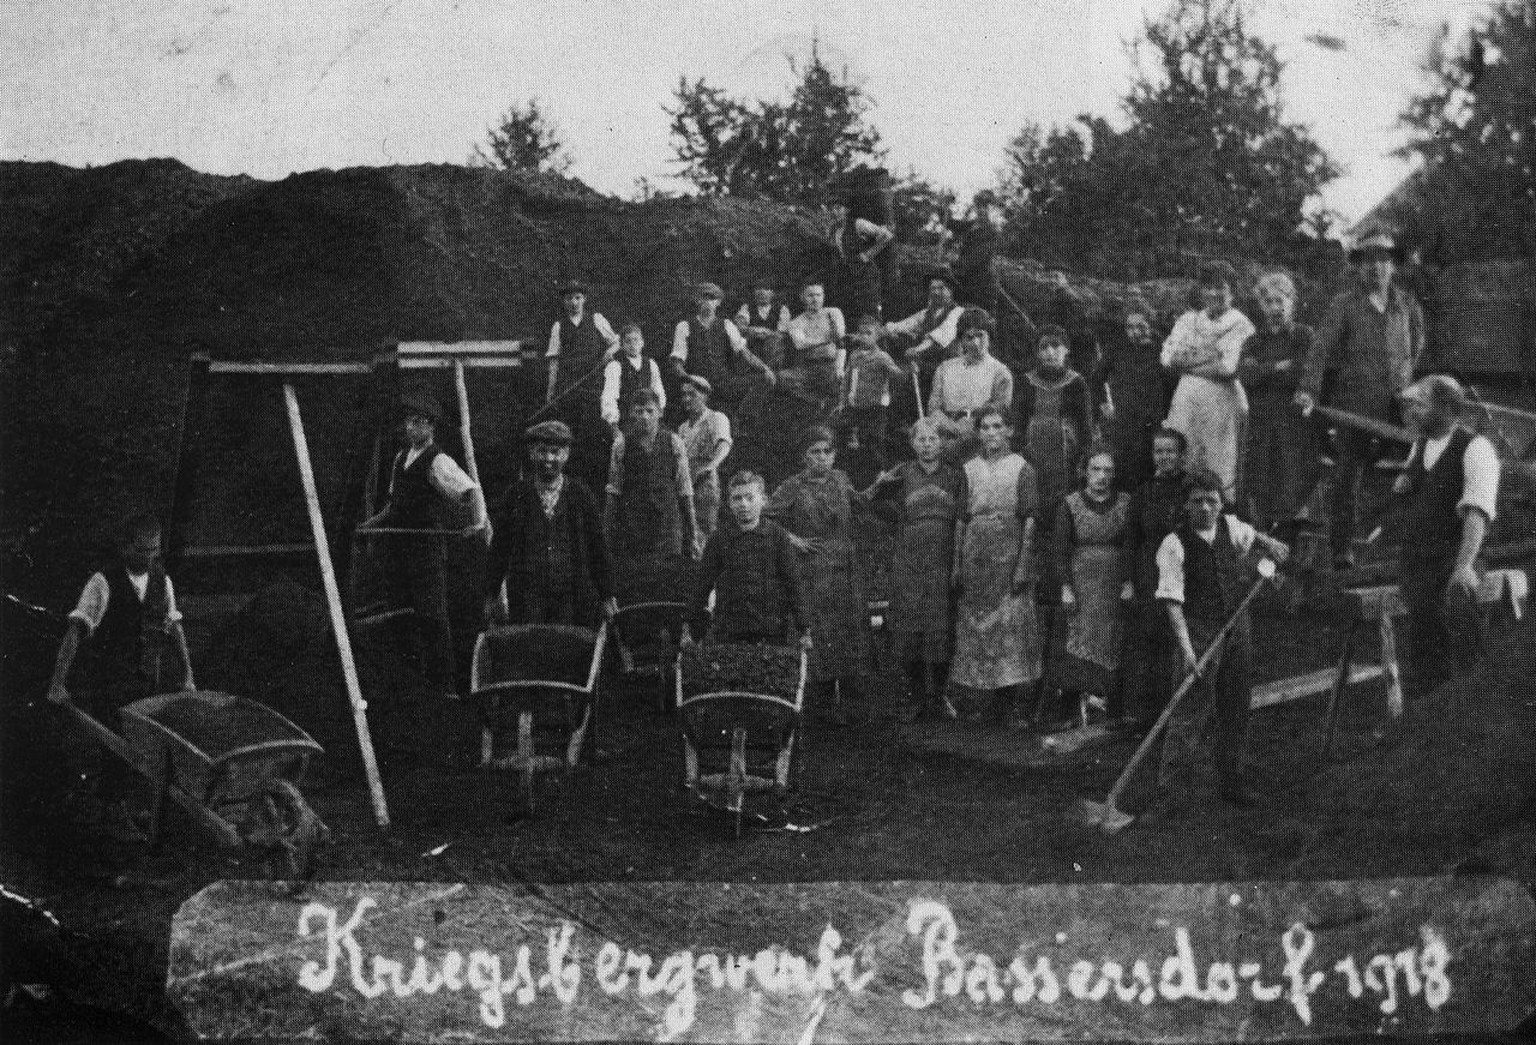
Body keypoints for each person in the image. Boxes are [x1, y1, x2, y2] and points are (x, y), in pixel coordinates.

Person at [47, 513, 195, 842]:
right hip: (111, 684)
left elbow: (175, 628)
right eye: (142, 551)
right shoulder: (103, 581)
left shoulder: (162, 581)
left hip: (146, 685)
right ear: (126, 547)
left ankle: (122, 809)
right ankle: (111, 817)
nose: (149, 557)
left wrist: (187, 675)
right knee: (115, 750)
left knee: (141, 751)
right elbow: (76, 631)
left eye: (155, 551)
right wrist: (58, 683)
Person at [1154, 469, 1289, 807]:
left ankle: (1232, 782)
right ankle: (1171, 792)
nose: (1205, 508)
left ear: (1221, 503)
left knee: (1235, 705)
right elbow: (1172, 602)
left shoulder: (1232, 527)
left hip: (1237, 625)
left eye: (1212, 501)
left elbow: (1255, 538)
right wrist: (1186, 648)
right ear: (1186, 505)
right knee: (1190, 709)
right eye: (1197, 502)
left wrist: (1269, 544)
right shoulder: (1173, 545)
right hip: (1198, 631)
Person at [1295, 231, 1426, 569]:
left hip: (1399, 409)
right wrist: (1309, 389)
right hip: (1355, 409)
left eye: (1383, 260)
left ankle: (1415, 544)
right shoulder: (1345, 304)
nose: (1376, 268)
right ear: (1359, 267)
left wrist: (1408, 386)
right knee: (1347, 475)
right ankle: (1342, 550)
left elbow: (1418, 346)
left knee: (1422, 467)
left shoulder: (1406, 305)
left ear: (1393, 266)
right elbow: (1320, 350)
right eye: (1369, 261)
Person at [360, 391, 481, 699]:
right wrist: (367, 527)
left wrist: (471, 523)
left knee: (432, 618)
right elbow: (393, 507)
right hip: (399, 551)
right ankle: (411, 687)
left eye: (417, 423)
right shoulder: (401, 458)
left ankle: (446, 689)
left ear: (430, 427)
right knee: (401, 615)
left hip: (426, 551)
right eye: (408, 422)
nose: (410, 428)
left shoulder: (438, 460)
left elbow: (468, 493)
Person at [1389, 375, 1500, 695]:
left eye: (1419, 406)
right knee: (1421, 656)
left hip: (1451, 564)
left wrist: (1464, 565)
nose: (1411, 413)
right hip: (1418, 567)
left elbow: (1477, 514)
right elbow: (1411, 475)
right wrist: (1406, 480)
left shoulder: (1476, 448)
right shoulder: (1421, 443)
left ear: (1447, 408)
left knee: (1458, 657)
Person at [860, 417, 967, 721]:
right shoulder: (904, 473)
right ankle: (918, 695)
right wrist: (896, 515)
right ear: (912, 443)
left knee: (941, 628)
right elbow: (874, 500)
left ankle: (940, 695)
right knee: (911, 628)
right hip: (909, 559)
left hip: (943, 559)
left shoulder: (954, 475)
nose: (927, 445)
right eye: (921, 439)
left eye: (933, 439)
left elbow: (962, 516)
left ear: (942, 443)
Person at [766, 425, 870, 725]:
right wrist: (793, 539)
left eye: (828, 451)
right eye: (815, 452)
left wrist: (878, 486)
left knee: (847, 634)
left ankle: (850, 710)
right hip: (813, 572)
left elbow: (858, 503)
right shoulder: (793, 486)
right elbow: (767, 519)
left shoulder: (840, 479)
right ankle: (818, 707)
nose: (822, 457)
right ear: (804, 456)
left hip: (844, 571)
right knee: (818, 633)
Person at [951, 407, 1042, 724]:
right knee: (976, 627)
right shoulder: (969, 469)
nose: (991, 433)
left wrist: (1022, 565)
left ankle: (1017, 707)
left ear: (1009, 431)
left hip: (1009, 551)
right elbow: (961, 519)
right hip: (976, 554)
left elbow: (1030, 519)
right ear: (978, 433)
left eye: (997, 426)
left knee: (1012, 626)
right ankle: (981, 705)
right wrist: (957, 564)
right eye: (985, 427)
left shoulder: (1022, 468)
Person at [483, 420, 615, 629]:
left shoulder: (580, 496)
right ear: (531, 453)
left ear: (567, 454)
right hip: (528, 599)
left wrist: (607, 596)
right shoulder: (516, 495)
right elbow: (500, 548)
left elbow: (598, 549)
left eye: (555, 452)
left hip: (572, 599)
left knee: (568, 652)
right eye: (542, 451)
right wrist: (491, 595)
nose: (549, 459)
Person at [1048, 445, 1133, 721]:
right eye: (1096, 469)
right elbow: (1060, 549)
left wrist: (1128, 581)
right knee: (1078, 637)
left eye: (1108, 470)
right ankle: (1074, 707)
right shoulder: (1070, 504)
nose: (1102, 476)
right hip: (1081, 581)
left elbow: (1131, 545)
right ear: (1084, 472)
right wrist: (1066, 587)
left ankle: (1111, 705)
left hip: (1112, 581)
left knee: (1111, 637)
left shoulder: (1125, 503)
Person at [1162, 260, 1255, 508]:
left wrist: (1190, 363)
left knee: (1218, 462)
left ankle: (1221, 520)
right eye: (1208, 287)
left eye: (1220, 288)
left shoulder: (1241, 325)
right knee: (1186, 456)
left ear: (1232, 292)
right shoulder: (1189, 320)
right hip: (1186, 402)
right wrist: (1210, 354)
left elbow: (1227, 368)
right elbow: (1169, 358)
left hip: (1221, 403)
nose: (1213, 293)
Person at [683, 471, 811, 650]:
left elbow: (793, 582)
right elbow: (702, 585)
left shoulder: (777, 537)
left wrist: (803, 628)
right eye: (737, 498)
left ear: (763, 500)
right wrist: (690, 627)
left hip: (770, 631)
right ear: (729, 503)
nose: (743, 504)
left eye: (750, 498)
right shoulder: (719, 539)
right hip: (730, 631)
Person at [1240, 272, 1319, 529]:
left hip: (1294, 426)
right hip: (1261, 424)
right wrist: (1278, 367)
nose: (1275, 308)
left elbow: (1303, 372)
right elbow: (1246, 377)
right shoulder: (1253, 341)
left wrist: (1266, 370)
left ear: (1291, 301)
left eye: (1280, 301)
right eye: (1269, 302)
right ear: (1262, 306)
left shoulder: (1304, 337)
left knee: (1293, 491)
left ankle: (1292, 553)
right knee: (1262, 489)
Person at [1122, 427, 1189, 730]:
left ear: (1181, 455)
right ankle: (1149, 718)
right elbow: (1131, 540)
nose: (1164, 457)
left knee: (1179, 641)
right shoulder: (1144, 493)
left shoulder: (1190, 490)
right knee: (1149, 645)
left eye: (1170, 451)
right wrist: (1128, 581)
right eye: (1158, 451)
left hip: (1182, 573)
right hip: (1150, 574)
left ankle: (1179, 714)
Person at [604, 388, 699, 602]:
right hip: (634, 524)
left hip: (668, 523)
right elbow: (614, 491)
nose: (645, 417)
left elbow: (685, 490)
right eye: (639, 411)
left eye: (650, 410)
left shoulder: (674, 442)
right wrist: (607, 534)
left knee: (669, 581)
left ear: (659, 413)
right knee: (638, 582)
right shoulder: (621, 445)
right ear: (630, 414)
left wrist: (692, 533)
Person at [1016, 324, 1095, 522]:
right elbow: (1018, 424)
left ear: (1066, 349)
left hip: (1066, 456)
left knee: (1062, 507)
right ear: (1037, 352)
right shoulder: (1026, 382)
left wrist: (1084, 459)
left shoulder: (1076, 382)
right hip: (1033, 455)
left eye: (1056, 346)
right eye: (1044, 347)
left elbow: (1086, 427)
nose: (1050, 352)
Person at [670, 282, 776, 418]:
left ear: (718, 302)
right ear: (697, 300)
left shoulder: (726, 324)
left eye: (712, 298)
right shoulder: (684, 326)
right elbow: (676, 363)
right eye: (704, 297)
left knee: (763, 379)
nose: (708, 302)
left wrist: (765, 368)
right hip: (697, 384)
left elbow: (744, 353)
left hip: (724, 382)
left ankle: (745, 416)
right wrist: (689, 378)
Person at [1096, 305, 1169, 492]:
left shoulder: (1162, 349)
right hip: (1124, 421)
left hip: (1152, 422)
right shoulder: (1117, 349)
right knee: (1123, 469)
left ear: (1150, 327)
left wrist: (1165, 414)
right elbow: (1096, 378)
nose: (1135, 332)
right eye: (1130, 327)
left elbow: (1172, 384)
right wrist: (1104, 402)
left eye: (1141, 326)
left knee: (1150, 469)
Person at [928, 307, 1014, 459]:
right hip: (947, 439)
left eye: (980, 335)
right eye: (969, 337)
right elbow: (934, 408)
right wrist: (954, 427)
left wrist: (973, 425)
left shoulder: (1000, 372)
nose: (975, 343)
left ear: (989, 336)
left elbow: (1000, 412)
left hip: (982, 441)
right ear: (961, 340)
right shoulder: (945, 368)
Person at [884, 271, 965, 425]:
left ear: (950, 291)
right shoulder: (926, 313)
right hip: (926, 369)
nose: (935, 292)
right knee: (901, 400)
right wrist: (886, 330)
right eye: (932, 288)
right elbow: (905, 324)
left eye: (941, 288)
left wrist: (917, 350)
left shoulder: (957, 313)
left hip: (948, 370)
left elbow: (941, 336)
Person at [840, 315, 905, 467]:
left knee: (875, 442)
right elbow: (846, 380)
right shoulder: (854, 355)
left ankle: (880, 473)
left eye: (869, 333)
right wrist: (843, 402)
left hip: (875, 408)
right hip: (855, 406)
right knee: (854, 441)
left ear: (876, 336)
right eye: (861, 333)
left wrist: (899, 372)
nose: (864, 337)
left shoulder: (882, 357)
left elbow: (898, 375)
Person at [677, 375, 733, 550]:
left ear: (705, 396)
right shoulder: (683, 428)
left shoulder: (716, 418)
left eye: (692, 394)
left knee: (706, 528)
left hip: (706, 481)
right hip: (687, 482)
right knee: (688, 530)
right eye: (684, 394)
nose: (687, 399)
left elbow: (724, 443)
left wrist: (712, 465)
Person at [829, 176, 897, 320]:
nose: (834, 212)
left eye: (838, 208)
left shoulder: (859, 224)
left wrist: (868, 254)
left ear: (846, 210)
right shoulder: (834, 231)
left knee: (869, 315)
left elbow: (887, 236)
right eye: (832, 209)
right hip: (849, 277)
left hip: (867, 277)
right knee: (850, 313)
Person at [784, 279, 848, 409]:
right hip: (807, 367)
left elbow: (841, 342)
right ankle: (815, 401)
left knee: (838, 385)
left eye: (819, 295)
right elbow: (800, 344)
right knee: (783, 378)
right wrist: (826, 339)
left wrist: (840, 367)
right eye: (810, 295)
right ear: (802, 297)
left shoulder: (833, 313)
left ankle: (825, 406)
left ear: (824, 296)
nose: (815, 299)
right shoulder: (796, 322)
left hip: (831, 364)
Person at [599, 322, 666, 437]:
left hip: (649, 421)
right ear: (622, 345)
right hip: (627, 423)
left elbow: (659, 393)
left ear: (642, 343)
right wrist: (615, 429)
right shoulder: (615, 366)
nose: (632, 345)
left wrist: (657, 416)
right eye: (628, 341)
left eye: (636, 340)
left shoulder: (651, 364)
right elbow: (609, 398)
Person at [952, 190, 1003, 315]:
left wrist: (956, 264)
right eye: (978, 206)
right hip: (966, 280)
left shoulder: (991, 231)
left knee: (979, 320)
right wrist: (943, 209)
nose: (981, 210)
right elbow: (954, 225)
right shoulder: (972, 225)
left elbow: (977, 257)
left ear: (991, 209)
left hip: (982, 284)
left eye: (985, 207)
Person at [734, 279, 792, 369]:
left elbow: (782, 333)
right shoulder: (746, 308)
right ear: (754, 292)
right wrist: (753, 330)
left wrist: (767, 333)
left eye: (766, 288)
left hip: (774, 351)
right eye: (758, 288)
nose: (762, 292)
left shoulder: (782, 309)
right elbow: (740, 328)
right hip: (752, 350)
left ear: (772, 293)